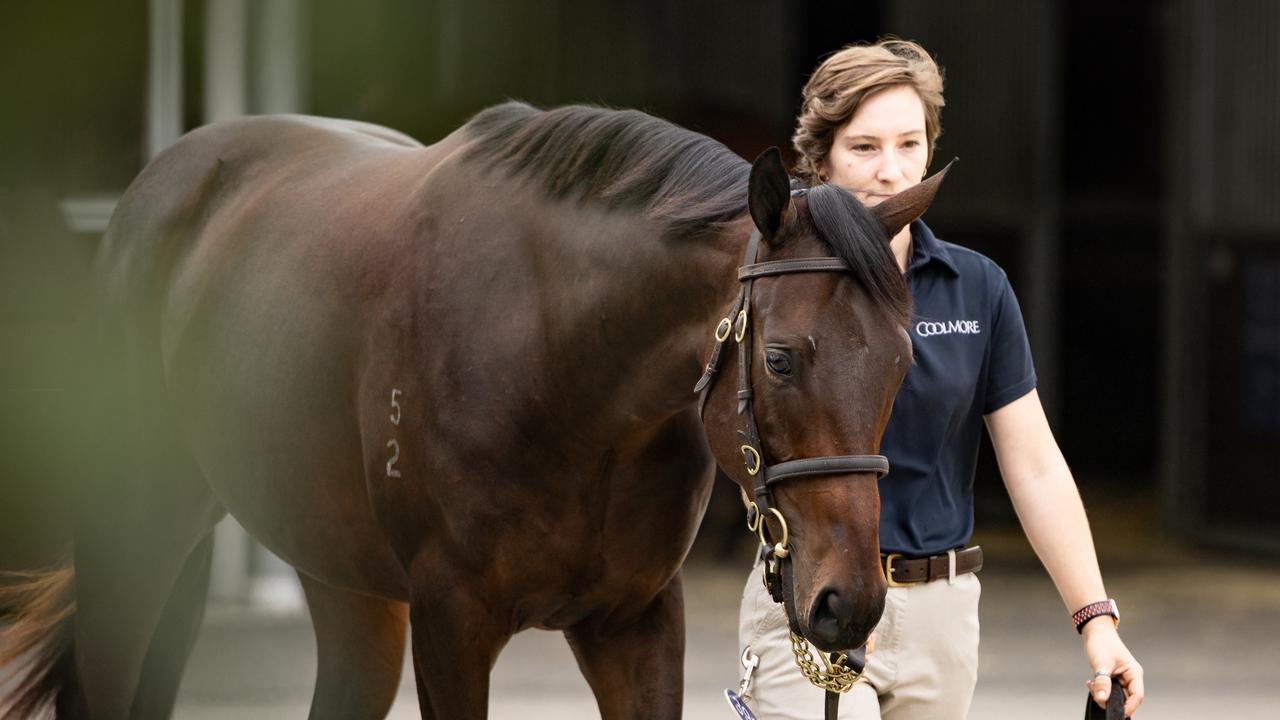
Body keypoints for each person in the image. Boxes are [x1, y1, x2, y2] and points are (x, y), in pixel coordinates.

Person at [737, 39, 1145, 719]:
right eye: (864, 147)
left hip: (943, 617)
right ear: (822, 159)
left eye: (909, 144)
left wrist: (1097, 620)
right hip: (813, 595)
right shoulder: (776, 288)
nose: (890, 172)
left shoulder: (978, 288)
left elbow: (1036, 466)